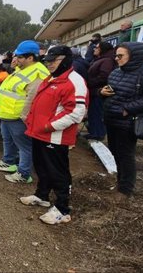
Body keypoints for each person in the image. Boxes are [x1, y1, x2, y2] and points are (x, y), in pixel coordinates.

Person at [19, 45, 87, 225]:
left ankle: (62, 209)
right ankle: (42, 195)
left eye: (53, 60)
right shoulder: (52, 78)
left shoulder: (74, 81)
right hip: (39, 133)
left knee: (58, 172)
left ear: (65, 59)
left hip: (55, 136)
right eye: (47, 61)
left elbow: (76, 112)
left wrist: (49, 126)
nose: (48, 64)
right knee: (41, 167)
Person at [101, 42, 143, 202]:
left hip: (128, 122)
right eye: (116, 55)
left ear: (134, 57)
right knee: (115, 151)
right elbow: (111, 90)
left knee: (126, 155)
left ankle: (125, 190)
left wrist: (128, 109)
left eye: (120, 56)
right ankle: (120, 182)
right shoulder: (116, 72)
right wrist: (102, 92)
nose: (116, 59)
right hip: (111, 119)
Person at [0, 40, 50, 184]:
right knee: (8, 140)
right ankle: (9, 161)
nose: (15, 59)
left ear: (30, 58)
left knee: (24, 146)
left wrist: (25, 118)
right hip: (7, 114)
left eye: (19, 57)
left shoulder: (37, 73)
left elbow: (32, 99)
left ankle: (24, 173)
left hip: (17, 117)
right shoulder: (24, 68)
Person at [85, 41, 115, 141]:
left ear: (102, 49)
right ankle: (94, 132)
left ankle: (98, 134)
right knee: (93, 112)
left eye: (97, 47)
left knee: (97, 113)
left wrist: (90, 82)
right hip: (95, 91)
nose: (94, 49)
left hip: (100, 92)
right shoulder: (100, 59)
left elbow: (104, 77)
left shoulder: (107, 61)